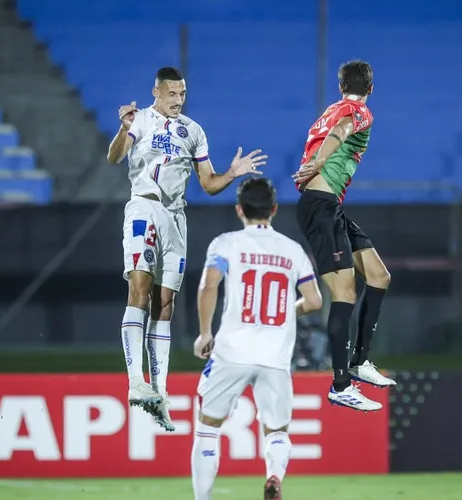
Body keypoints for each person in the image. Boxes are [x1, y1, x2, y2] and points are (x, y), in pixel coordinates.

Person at [107, 67, 268, 431]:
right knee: (140, 288)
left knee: (166, 302)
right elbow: (114, 158)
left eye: (182, 94)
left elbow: (209, 184)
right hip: (143, 208)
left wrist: (232, 172)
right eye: (172, 94)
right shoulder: (140, 121)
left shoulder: (193, 131)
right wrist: (122, 129)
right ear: (156, 92)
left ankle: (159, 394)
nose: (179, 100)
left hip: (176, 218)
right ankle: (136, 381)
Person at [191, 177, 323, 500]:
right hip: (275, 356)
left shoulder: (225, 243)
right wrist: (289, 311)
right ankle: (274, 476)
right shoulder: (293, 251)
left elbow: (209, 285)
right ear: (274, 210)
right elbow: (315, 300)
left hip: (232, 351)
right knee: (276, 431)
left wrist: (205, 332)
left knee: (208, 425)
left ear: (239, 210)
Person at [290, 59, 395, 412]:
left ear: (340, 85)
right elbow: (342, 131)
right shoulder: (359, 111)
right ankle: (340, 384)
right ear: (372, 88)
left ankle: (360, 362)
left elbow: (329, 130)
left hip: (326, 205)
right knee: (344, 293)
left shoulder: (330, 108)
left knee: (379, 276)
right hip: (321, 207)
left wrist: (314, 165)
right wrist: (320, 162)